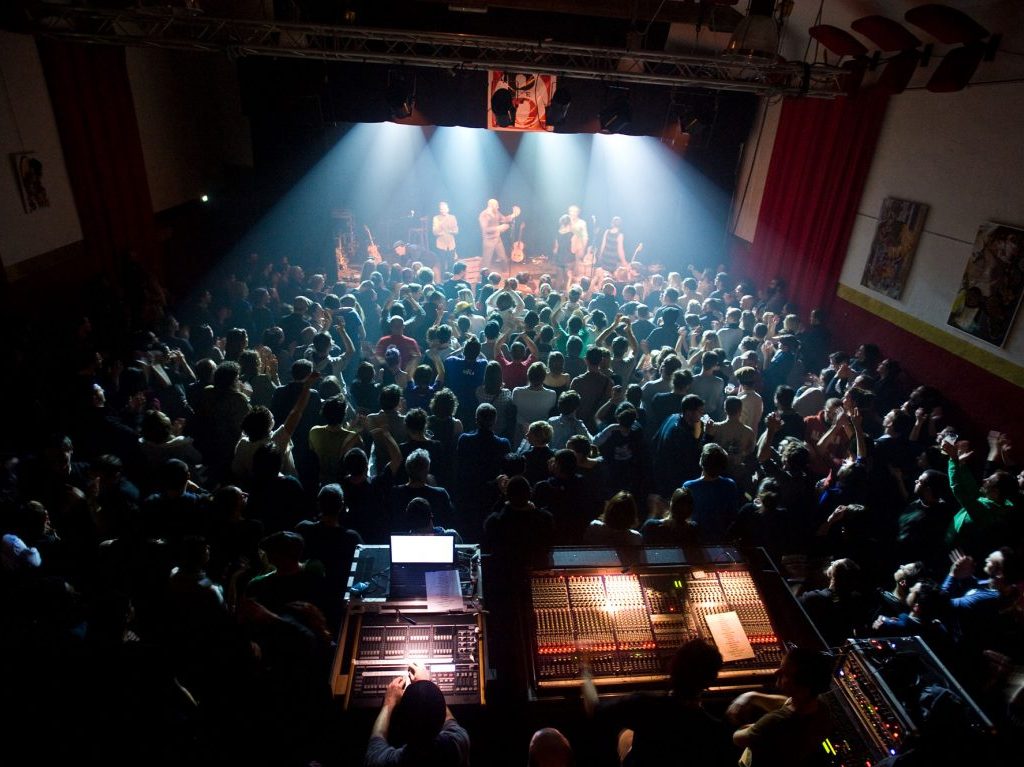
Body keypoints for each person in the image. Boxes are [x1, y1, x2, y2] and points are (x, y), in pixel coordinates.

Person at [584, 639, 734, 767]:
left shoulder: (644, 704)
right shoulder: (714, 729)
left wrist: (586, 672)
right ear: (712, 679)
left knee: (626, 734)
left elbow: (594, 709)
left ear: (672, 668)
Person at [728, 648, 834, 767]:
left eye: (785, 673)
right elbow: (786, 703)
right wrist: (753, 696)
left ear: (803, 686)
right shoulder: (820, 706)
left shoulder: (775, 722)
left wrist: (754, 726)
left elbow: (738, 738)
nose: (776, 673)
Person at [365, 662, 470, 767]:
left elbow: (377, 737)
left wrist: (389, 702)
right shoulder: (459, 743)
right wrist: (425, 685)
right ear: (441, 723)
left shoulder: (381, 762)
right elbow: (449, 719)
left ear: (402, 725)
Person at [478, 198, 520, 269]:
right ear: (491, 205)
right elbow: (485, 229)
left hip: (497, 238)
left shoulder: (496, 212)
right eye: (496, 205)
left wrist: (513, 215)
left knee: (503, 257)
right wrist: (499, 228)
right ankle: (483, 277)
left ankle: (505, 273)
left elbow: (504, 219)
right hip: (489, 240)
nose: (498, 207)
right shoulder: (484, 215)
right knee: (486, 261)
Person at [432, 201, 459, 273]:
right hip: (441, 244)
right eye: (441, 209)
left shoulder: (452, 217)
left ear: (448, 209)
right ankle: (443, 280)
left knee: (451, 263)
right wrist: (442, 222)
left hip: (451, 244)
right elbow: (435, 232)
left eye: (444, 208)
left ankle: (451, 278)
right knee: (442, 263)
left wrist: (451, 231)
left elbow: (456, 230)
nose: (443, 210)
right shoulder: (436, 218)